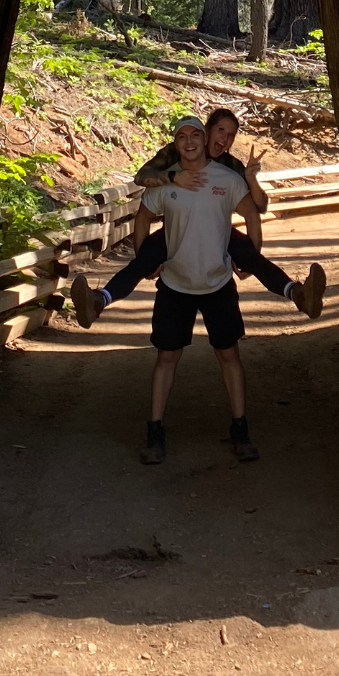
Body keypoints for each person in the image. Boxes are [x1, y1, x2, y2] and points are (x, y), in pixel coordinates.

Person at [69, 106, 326, 326]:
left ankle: (300, 296)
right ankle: (98, 301)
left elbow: (258, 208)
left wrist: (251, 180)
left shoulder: (230, 165)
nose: (225, 139)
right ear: (206, 132)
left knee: (252, 257)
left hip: (217, 232)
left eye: (231, 135)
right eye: (221, 131)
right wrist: (173, 176)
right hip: (177, 230)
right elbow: (141, 178)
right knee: (142, 262)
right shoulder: (177, 151)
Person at [119, 117, 263, 464]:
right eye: (182, 136)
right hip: (175, 284)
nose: (189, 142)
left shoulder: (229, 176)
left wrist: (252, 258)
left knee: (228, 354)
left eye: (194, 135)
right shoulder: (166, 176)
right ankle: (154, 432)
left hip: (217, 282)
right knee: (166, 357)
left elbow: (255, 213)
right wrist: (146, 259)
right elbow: (142, 215)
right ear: (176, 143)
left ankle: (240, 429)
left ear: (205, 137)